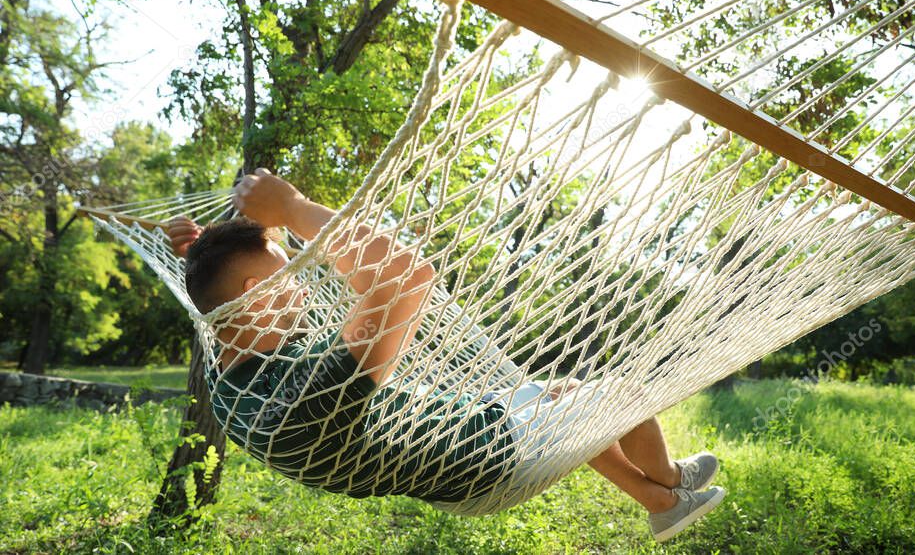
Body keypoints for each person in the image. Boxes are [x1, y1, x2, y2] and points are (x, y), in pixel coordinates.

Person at [169, 168, 726, 542]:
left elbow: (212, 302)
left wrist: (196, 249)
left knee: (570, 400)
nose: (302, 284)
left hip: (466, 437)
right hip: (489, 461)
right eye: (285, 275)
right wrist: (292, 208)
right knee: (624, 397)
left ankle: (661, 504)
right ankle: (672, 478)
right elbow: (407, 276)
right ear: (251, 295)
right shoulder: (306, 389)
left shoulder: (230, 381)